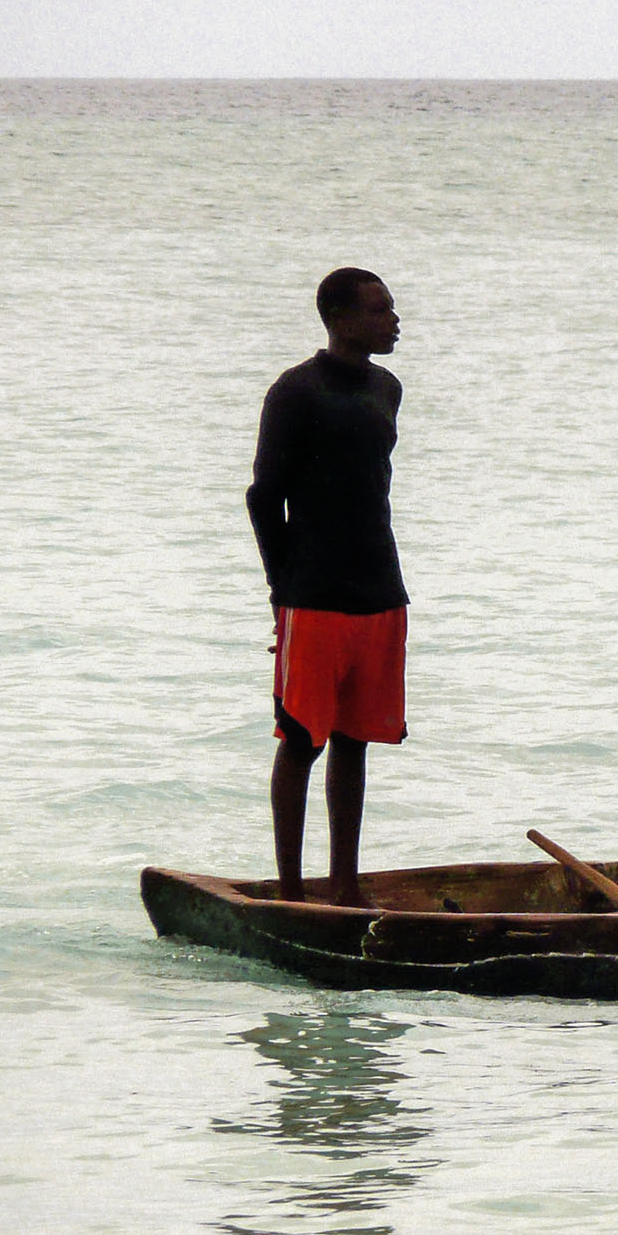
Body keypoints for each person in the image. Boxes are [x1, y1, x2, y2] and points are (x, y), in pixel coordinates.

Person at [246, 268, 409, 908]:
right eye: (379, 310)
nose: (393, 320)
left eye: (392, 308)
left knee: (355, 740)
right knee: (302, 739)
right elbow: (264, 497)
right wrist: (280, 589)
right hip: (312, 593)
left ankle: (344, 885)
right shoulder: (294, 392)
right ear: (338, 317)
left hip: (380, 588)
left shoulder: (387, 389)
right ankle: (290, 893)